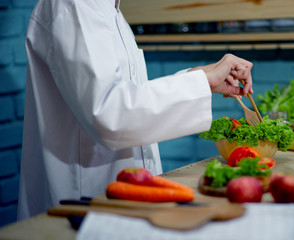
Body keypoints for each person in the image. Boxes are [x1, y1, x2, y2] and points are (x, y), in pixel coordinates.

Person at [18, 0, 253, 220]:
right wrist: (201, 81)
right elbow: (110, 114)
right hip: (82, 205)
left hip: (118, 200)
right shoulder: (77, 5)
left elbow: (128, 95)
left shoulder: (111, 10)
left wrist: (200, 77)